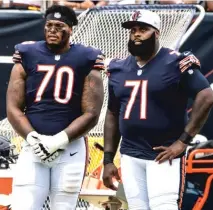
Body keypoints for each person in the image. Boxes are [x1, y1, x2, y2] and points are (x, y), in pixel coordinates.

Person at [102, 9, 213, 210]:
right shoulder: (117, 67)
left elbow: (207, 95)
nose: (136, 34)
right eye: (133, 29)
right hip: (130, 154)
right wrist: (108, 159)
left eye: (143, 29)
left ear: (157, 33)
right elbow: (112, 113)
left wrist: (182, 142)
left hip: (164, 154)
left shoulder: (175, 62)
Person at [7, 5, 105, 210]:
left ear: (70, 30)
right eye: (48, 25)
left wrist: (59, 140)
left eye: (58, 26)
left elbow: (92, 113)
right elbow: (13, 107)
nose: (52, 30)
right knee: (23, 205)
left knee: (63, 206)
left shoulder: (86, 57)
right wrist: (34, 138)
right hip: (33, 146)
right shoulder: (27, 53)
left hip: (70, 149)